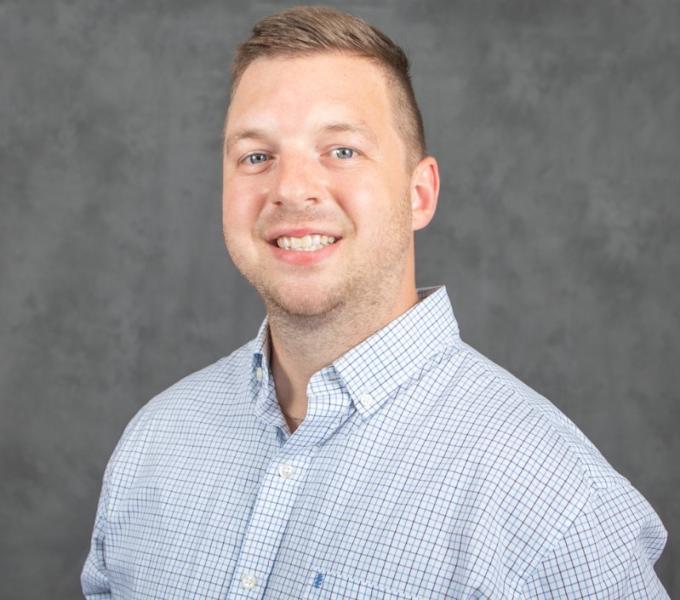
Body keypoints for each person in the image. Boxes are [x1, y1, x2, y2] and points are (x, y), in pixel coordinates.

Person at [81, 6, 669, 599]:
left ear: (419, 194)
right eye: (256, 156)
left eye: (341, 151)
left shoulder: (556, 503)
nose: (290, 189)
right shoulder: (153, 445)